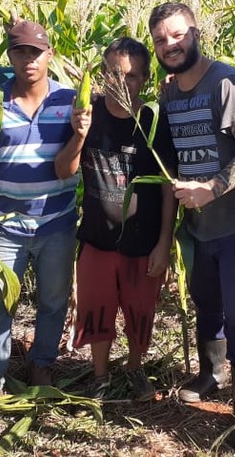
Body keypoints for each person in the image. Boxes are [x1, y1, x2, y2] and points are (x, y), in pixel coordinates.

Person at [148, 2, 235, 451]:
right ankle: (210, 374)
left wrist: (213, 188)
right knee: (207, 302)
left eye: (178, 35)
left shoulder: (226, 81)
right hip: (199, 227)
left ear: (195, 32)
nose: (170, 45)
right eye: (161, 39)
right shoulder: (171, 93)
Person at [0, 20, 91, 398]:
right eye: (20, 51)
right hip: (5, 224)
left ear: (49, 55)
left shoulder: (69, 101)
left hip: (57, 220)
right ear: (9, 56)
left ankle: (42, 364)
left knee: (53, 299)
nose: (28, 59)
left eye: (36, 52)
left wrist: (80, 134)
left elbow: (69, 167)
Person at [72, 37, 178, 402]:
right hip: (97, 238)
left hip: (142, 242)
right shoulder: (88, 113)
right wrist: (78, 133)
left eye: (131, 76)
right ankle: (100, 376)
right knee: (95, 310)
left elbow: (167, 186)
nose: (122, 82)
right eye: (114, 73)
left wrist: (164, 242)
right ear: (102, 75)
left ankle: (135, 368)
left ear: (145, 80)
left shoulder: (153, 121)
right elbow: (65, 167)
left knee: (140, 312)